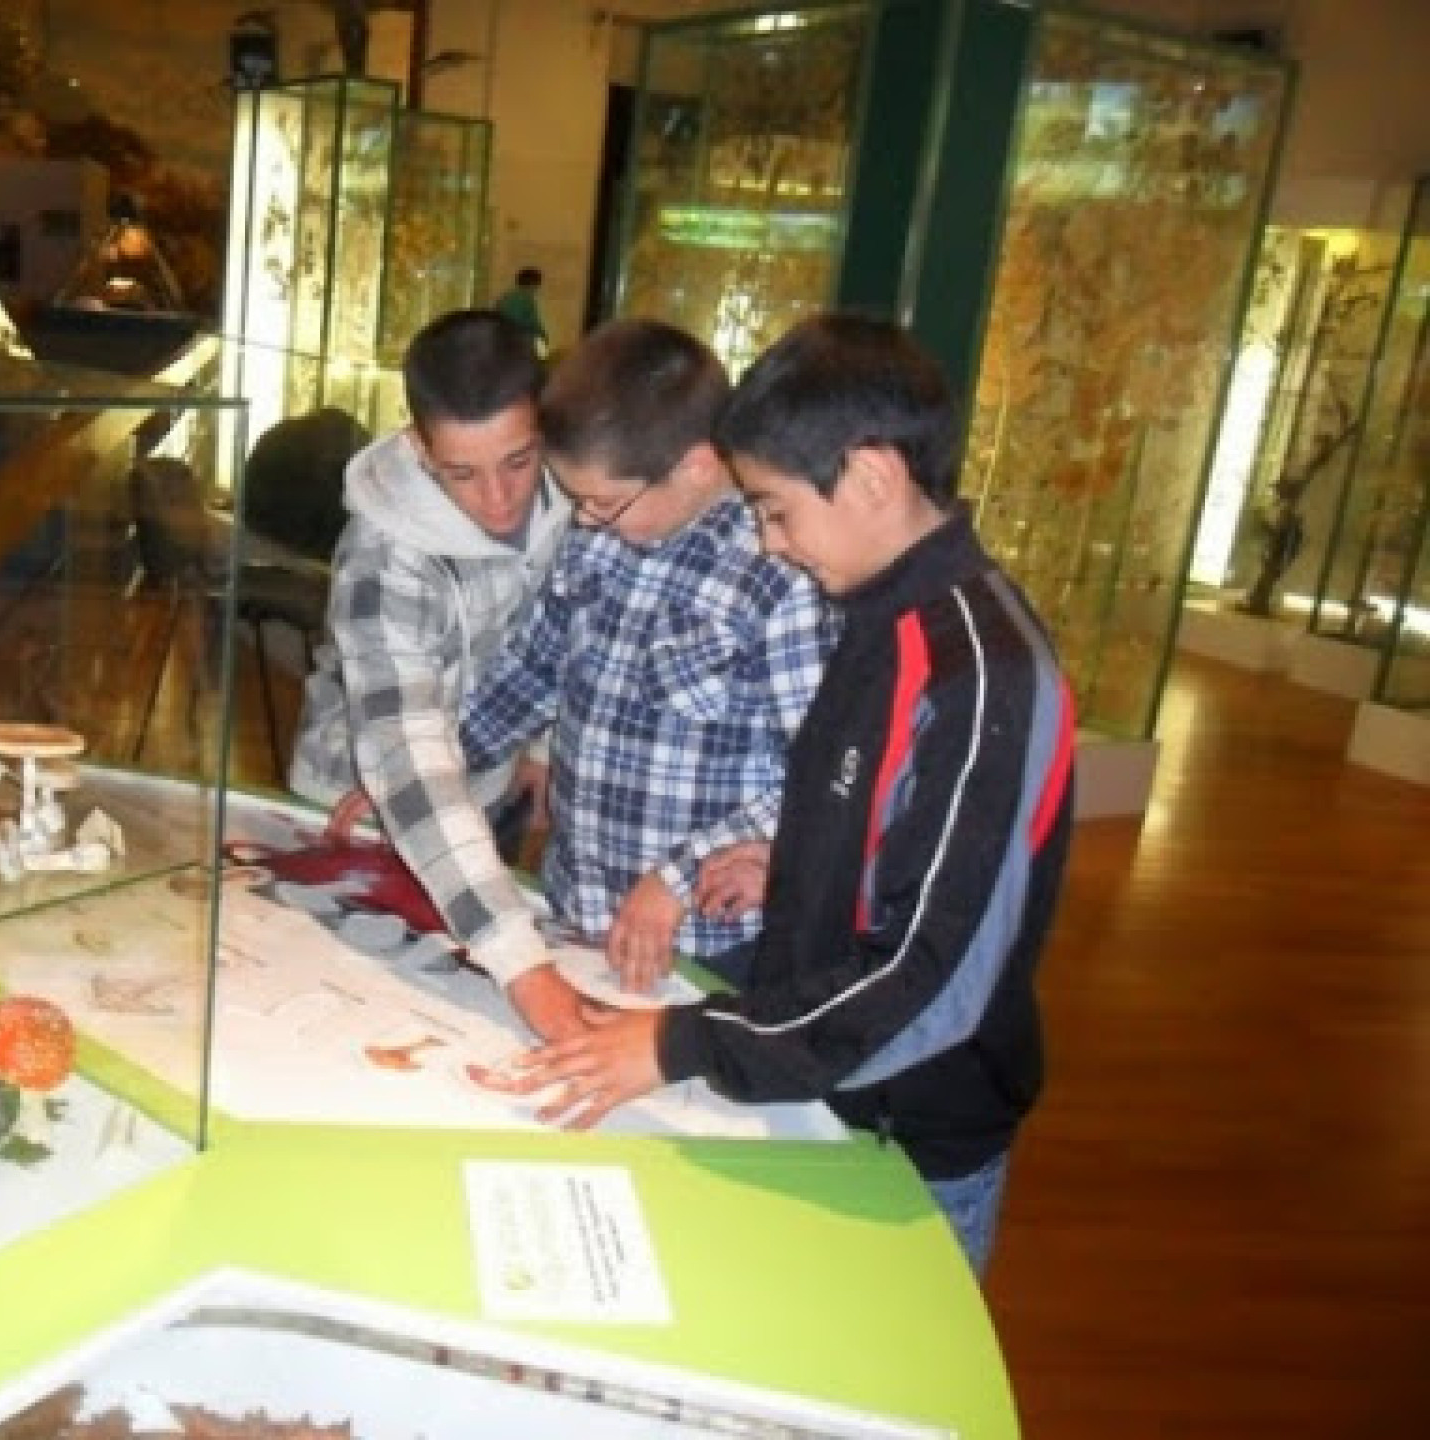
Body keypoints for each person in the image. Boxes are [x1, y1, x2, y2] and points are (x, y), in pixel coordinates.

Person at [480, 313, 1076, 1277]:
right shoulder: (877, 616)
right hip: (822, 1082)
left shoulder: (978, 675)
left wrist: (680, 1043)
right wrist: (800, 858)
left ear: (872, 477)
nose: (769, 542)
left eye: (777, 511)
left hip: (912, 1134)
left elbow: (929, 982)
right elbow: (864, 812)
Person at [457, 318, 834, 991]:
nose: (584, 519)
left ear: (696, 466)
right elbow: (528, 674)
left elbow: (821, 775)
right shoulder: (594, 540)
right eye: (574, 500)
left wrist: (678, 878)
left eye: (604, 502)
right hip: (577, 904)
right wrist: (430, 770)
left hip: (709, 938)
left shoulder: (781, 574)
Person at [288, 309, 584, 1039]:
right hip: (360, 807)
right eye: (462, 473)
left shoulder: (579, 483)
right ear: (421, 447)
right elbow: (406, 754)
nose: (499, 499)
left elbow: (566, 627)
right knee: (351, 1026)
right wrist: (522, 962)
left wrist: (542, 744)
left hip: (488, 783)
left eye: (517, 461)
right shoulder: (383, 556)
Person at [493, 267, 549, 353]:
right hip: (518, 343)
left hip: (500, 341)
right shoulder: (526, 299)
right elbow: (532, 324)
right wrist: (544, 338)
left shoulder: (506, 297)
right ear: (534, 284)